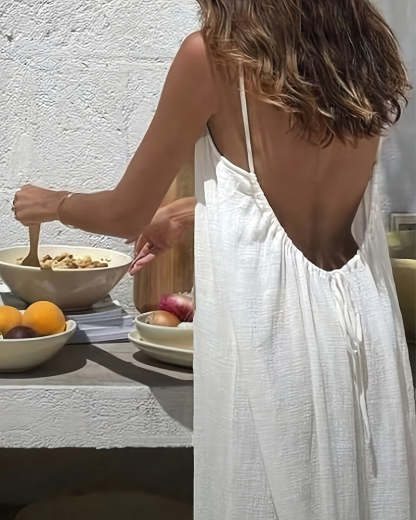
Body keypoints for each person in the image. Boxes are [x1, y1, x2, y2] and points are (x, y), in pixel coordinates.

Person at [13, 1, 416, 518]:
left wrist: (53, 203)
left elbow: (125, 212)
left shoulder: (213, 57)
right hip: (366, 336)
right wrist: (187, 212)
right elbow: (301, 197)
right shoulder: (364, 54)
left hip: (273, 343)